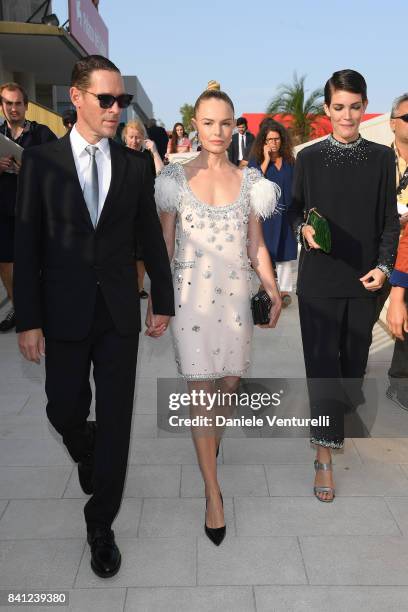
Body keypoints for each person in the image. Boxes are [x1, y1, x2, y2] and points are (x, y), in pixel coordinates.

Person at [14, 55, 174, 578]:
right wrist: (28, 319)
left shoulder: (132, 165)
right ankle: (82, 445)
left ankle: (100, 521)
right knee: (63, 408)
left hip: (118, 316)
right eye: (104, 99)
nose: (114, 109)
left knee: (118, 423)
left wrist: (163, 300)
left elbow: (149, 236)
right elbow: (28, 244)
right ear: (76, 98)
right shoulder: (41, 163)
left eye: (120, 100)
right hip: (61, 312)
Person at [156, 89, 281, 545]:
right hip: (190, 298)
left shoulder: (251, 182)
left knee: (229, 383)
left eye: (226, 123)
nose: (217, 131)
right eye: (209, 123)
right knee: (201, 388)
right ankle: (213, 492)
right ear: (195, 124)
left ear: (235, 127)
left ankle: (210, 445)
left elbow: (257, 244)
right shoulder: (173, 178)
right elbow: (165, 246)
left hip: (234, 299)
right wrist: (157, 299)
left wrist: (270, 287)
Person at [289, 69, 399, 502]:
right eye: (339, 107)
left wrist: (385, 267)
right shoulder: (309, 158)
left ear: (365, 106)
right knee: (322, 369)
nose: (347, 116)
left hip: (363, 281)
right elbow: (295, 210)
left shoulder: (380, 158)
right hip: (317, 280)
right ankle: (324, 456)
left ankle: (333, 414)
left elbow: (390, 219)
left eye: (355, 107)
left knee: (352, 369)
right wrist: (304, 230)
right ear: (326, 110)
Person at [0, 82, 56, 332]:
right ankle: (21, 309)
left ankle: (38, 309)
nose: (13, 108)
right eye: (8, 103)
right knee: (5, 263)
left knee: (37, 263)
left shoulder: (42, 134)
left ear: (26, 105)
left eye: (18, 103)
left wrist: (31, 170)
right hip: (3, 209)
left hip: (34, 210)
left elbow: (60, 171)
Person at [248, 119, 297, 306]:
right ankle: (265, 286)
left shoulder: (291, 161)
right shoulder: (257, 161)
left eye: (277, 139)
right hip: (266, 216)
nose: (274, 143)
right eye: (270, 139)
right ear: (264, 141)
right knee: (265, 251)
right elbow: (252, 181)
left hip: (286, 214)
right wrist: (266, 160)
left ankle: (283, 290)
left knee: (285, 251)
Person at [122, 119, 164, 299]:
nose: (134, 141)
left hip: (144, 211)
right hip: (123, 211)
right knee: (125, 251)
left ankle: (139, 287)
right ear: (125, 137)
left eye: (138, 137)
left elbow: (161, 172)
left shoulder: (147, 156)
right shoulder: (118, 155)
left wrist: (154, 151)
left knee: (141, 253)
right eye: (131, 137)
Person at [385, 93, 408, 409]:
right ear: (392, 123)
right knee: (358, 327)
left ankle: (399, 382)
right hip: (377, 252)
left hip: (407, 252)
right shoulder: (376, 159)